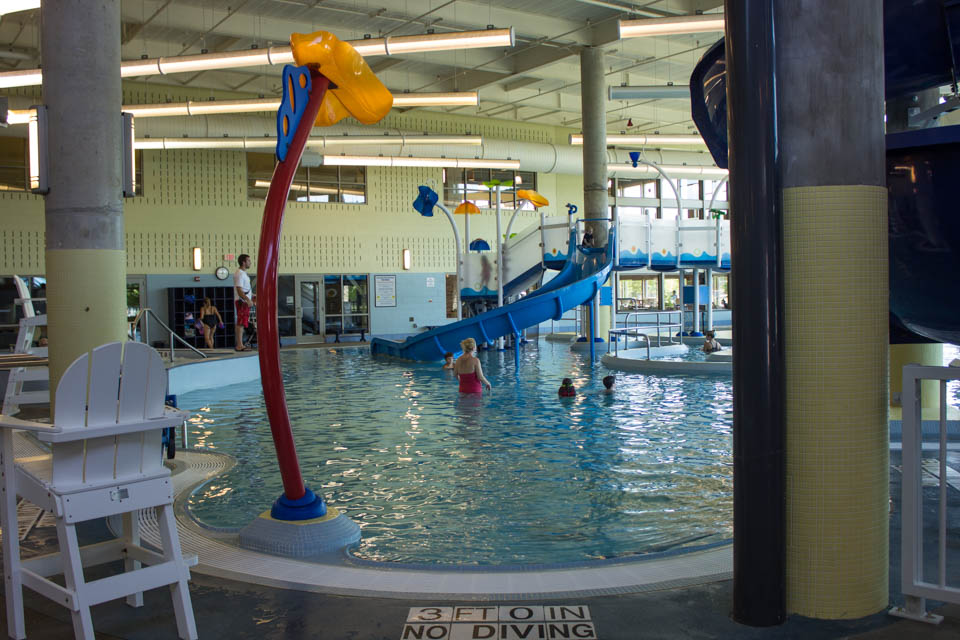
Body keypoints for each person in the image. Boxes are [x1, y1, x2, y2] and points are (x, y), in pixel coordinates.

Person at [234, 254, 254, 351]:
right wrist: (247, 299)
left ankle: (240, 344)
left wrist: (252, 296)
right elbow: (239, 290)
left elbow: (246, 289)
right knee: (240, 322)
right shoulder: (240, 274)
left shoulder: (244, 274)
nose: (250, 262)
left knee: (243, 322)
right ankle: (239, 345)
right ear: (243, 262)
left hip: (244, 301)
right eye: (248, 261)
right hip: (242, 302)